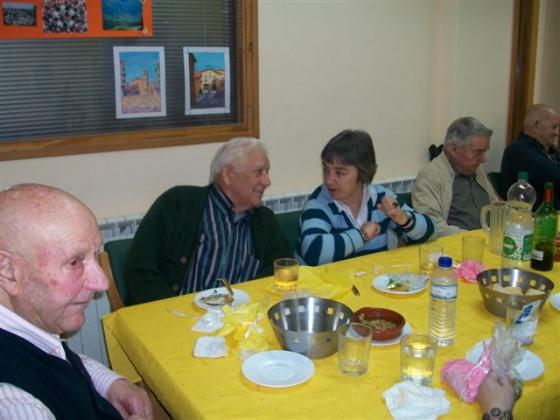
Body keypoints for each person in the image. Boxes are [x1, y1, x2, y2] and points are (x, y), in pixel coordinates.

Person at [0, 184, 152, 420]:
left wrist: (110, 383)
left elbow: (53, 357)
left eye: (95, 254)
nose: (102, 282)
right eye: (74, 262)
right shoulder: (17, 403)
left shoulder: (23, 326)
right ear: (8, 271)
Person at [124, 137, 291, 305]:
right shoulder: (177, 205)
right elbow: (139, 270)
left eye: (267, 172)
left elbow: (282, 269)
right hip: (175, 314)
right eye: (258, 172)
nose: (267, 181)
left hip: (239, 315)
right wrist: (173, 310)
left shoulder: (264, 220)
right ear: (228, 174)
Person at [297, 129, 436, 266]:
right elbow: (313, 252)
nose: (329, 180)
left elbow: (431, 232)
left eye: (340, 173)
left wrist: (403, 220)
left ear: (363, 172)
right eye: (326, 169)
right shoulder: (319, 202)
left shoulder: (380, 197)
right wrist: (362, 235)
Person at [412, 117, 499, 237]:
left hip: (490, 240)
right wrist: (475, 239)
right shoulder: (429, 176)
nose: (483, 159)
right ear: (454, 149)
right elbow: (432, 225)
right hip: (458, 244)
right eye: (478, 152)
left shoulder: (476, 169)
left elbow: (496, 208)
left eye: (484, 152)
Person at [500, 104, 560, 209]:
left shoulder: (550, 150)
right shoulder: (519, 151)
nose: (557, 133)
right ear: (536, 125)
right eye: (554, 127)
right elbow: (554, 177)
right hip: (530, 216)